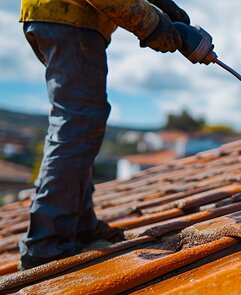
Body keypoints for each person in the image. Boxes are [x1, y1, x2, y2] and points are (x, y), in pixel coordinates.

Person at [18, 0, 191, 270]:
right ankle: (47, 242)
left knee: (83, 121)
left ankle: (78, 223)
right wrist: (151, 22)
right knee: (79, 120)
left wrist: (161, 4)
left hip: (62, 14)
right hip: (69, 15)